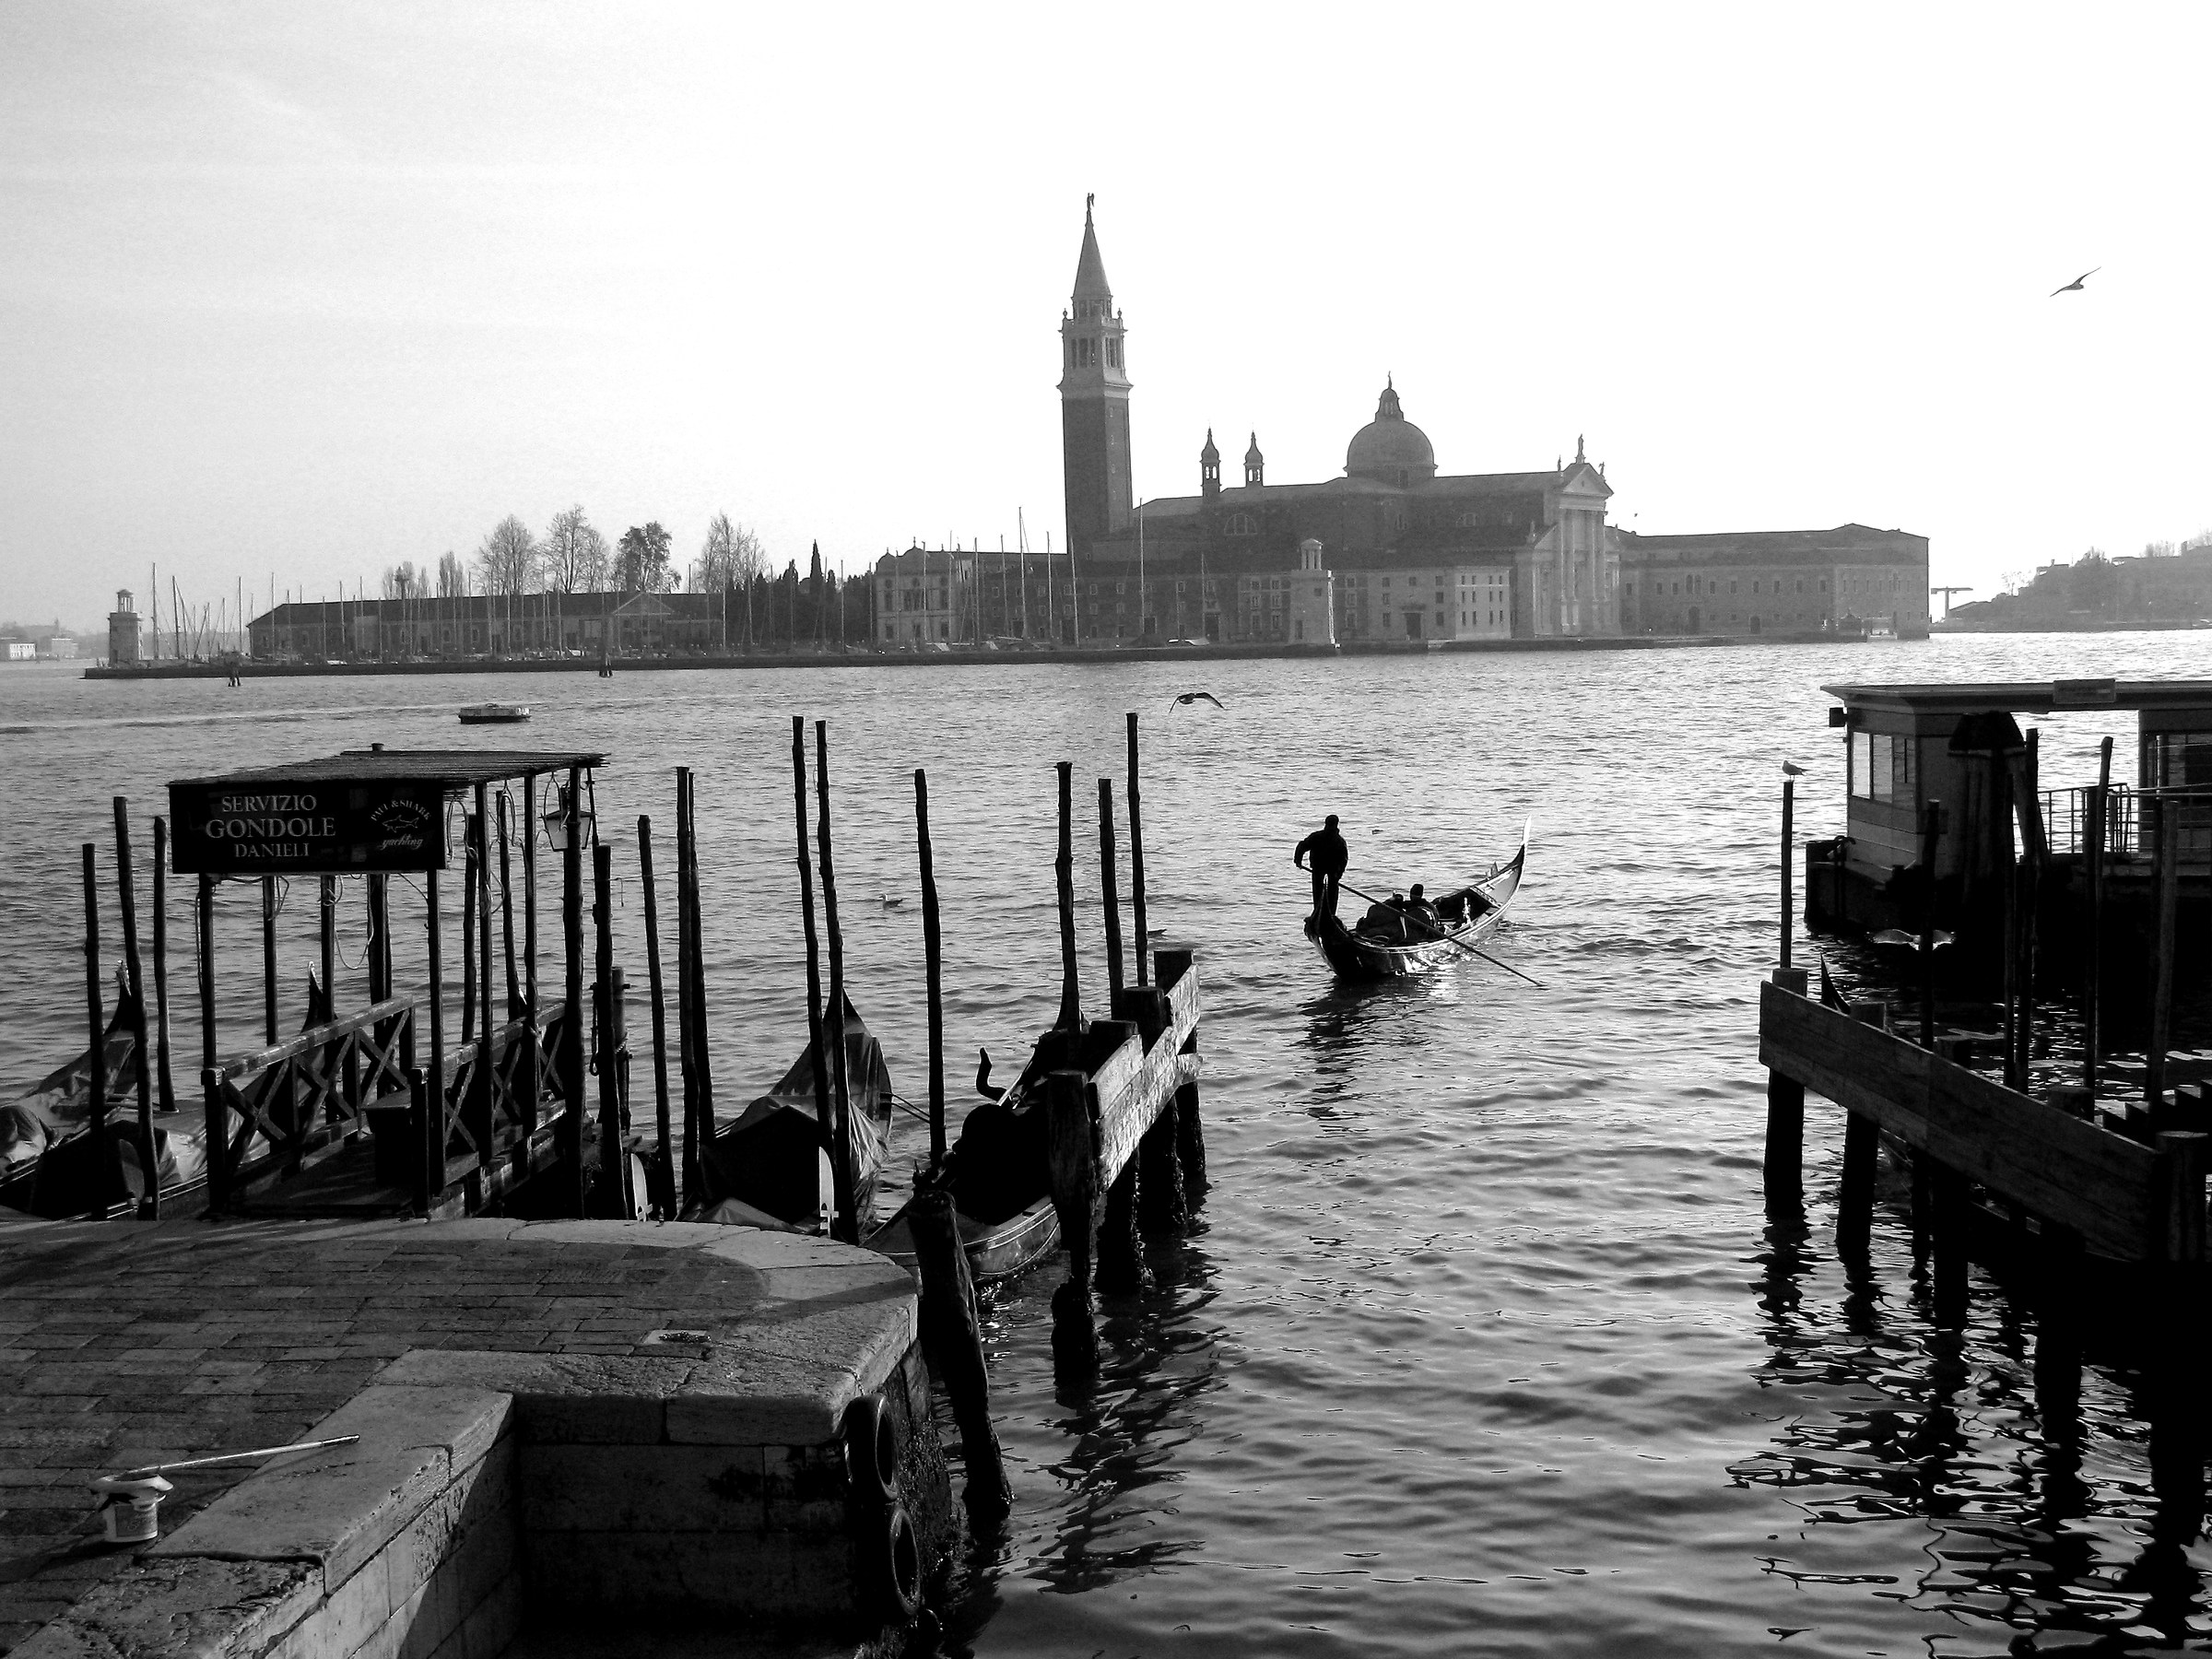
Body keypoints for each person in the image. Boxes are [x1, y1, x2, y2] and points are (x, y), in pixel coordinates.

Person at [1293, 814, 1348, 918]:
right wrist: (1298, 860)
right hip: (1322, 869)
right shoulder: (1338, 841)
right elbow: (1344, 860)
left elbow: (1302, 846)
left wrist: (1298, 860)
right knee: (1329, 890)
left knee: (1324, 890)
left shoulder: (1319, 837)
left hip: (1327, 870)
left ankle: (1325, 914)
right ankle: (1329, 914)